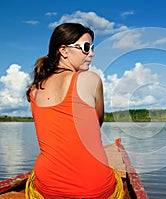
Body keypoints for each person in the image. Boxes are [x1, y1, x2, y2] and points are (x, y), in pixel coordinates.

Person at [25, 23, 124, 199]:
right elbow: (97, 123)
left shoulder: (34, 90)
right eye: (86, 48)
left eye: (92, 48)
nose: (92, 54)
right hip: (94, 189)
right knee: (113, 178)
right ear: (63, 50)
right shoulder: (90, 80)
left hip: (48, 188)